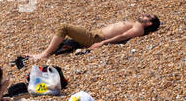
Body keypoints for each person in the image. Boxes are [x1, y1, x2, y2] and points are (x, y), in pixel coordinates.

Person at [29, 15, 160, 62]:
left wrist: (102, 43)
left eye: (148, 16)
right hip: (95, 34)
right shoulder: (137, 24)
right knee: (64, 42)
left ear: (149, 23)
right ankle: (46, 52)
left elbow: (123, 36)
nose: (144, 15)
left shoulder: (139, 28)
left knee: (64, 27)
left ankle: (45, 54)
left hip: (95, 39)